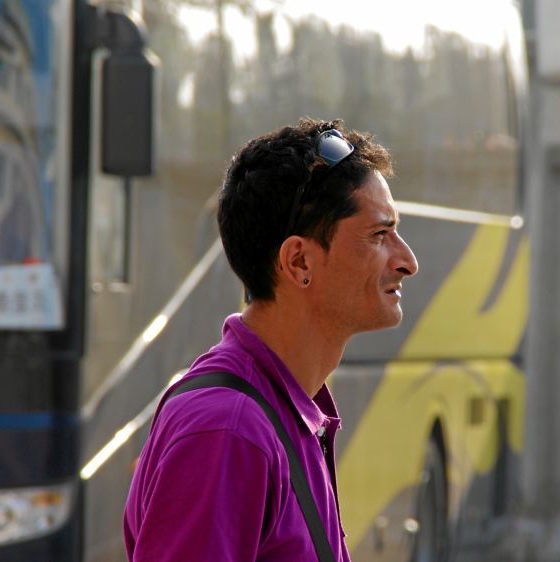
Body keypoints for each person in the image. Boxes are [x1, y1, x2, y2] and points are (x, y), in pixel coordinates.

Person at [123, 118, 418, 561]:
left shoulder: (279, 407)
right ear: (299, 261)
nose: (407, 261)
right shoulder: (227, 430)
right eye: (379, 235)